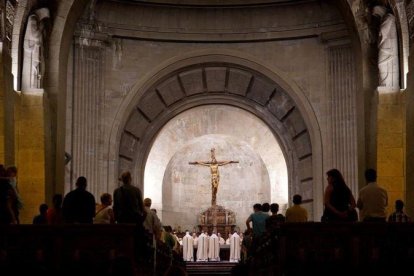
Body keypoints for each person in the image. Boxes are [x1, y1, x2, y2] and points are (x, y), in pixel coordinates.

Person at [372, 5, 399, 90]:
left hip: (388, 47)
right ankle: (384, 83)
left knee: (381, 63)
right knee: (381, 64)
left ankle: (387, 84)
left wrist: (379, 31)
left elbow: (383, 30)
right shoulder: (385, 18)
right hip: (384, 45)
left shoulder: (389, 18)